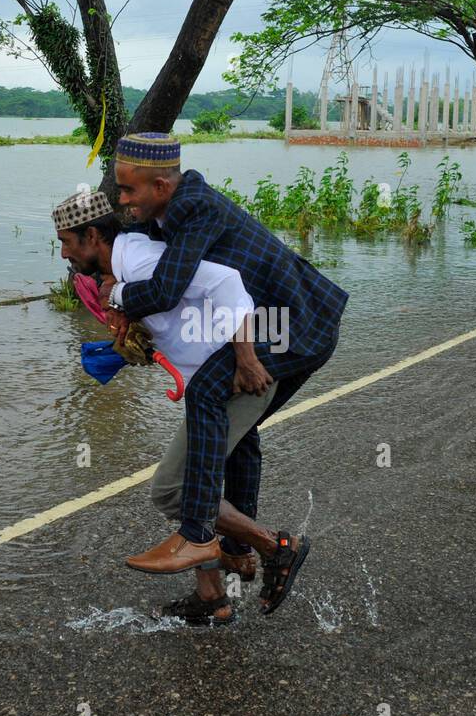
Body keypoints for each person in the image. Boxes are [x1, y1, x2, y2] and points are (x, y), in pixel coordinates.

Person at [99, 133, 348, 617]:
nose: (123, 202)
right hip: (272, 322)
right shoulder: (167, 213)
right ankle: (235, 551)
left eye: (129, 192)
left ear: (163, 185)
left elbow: (168, 288)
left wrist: (116, 297)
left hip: (299, 323)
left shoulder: (197, 208)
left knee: (208, 392)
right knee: (238, 426)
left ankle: (203, 536)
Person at [55, 190, 273, 623]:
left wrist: (246, 358)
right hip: (207, 384)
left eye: (66, 241)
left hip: (232, 380)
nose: (63, 253)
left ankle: (275, 546)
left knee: (173, 490)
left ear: (92, 235)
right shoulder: (121, 270)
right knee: (203, 485)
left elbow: (226, 282)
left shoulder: (136, 261)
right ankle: (213, 598)